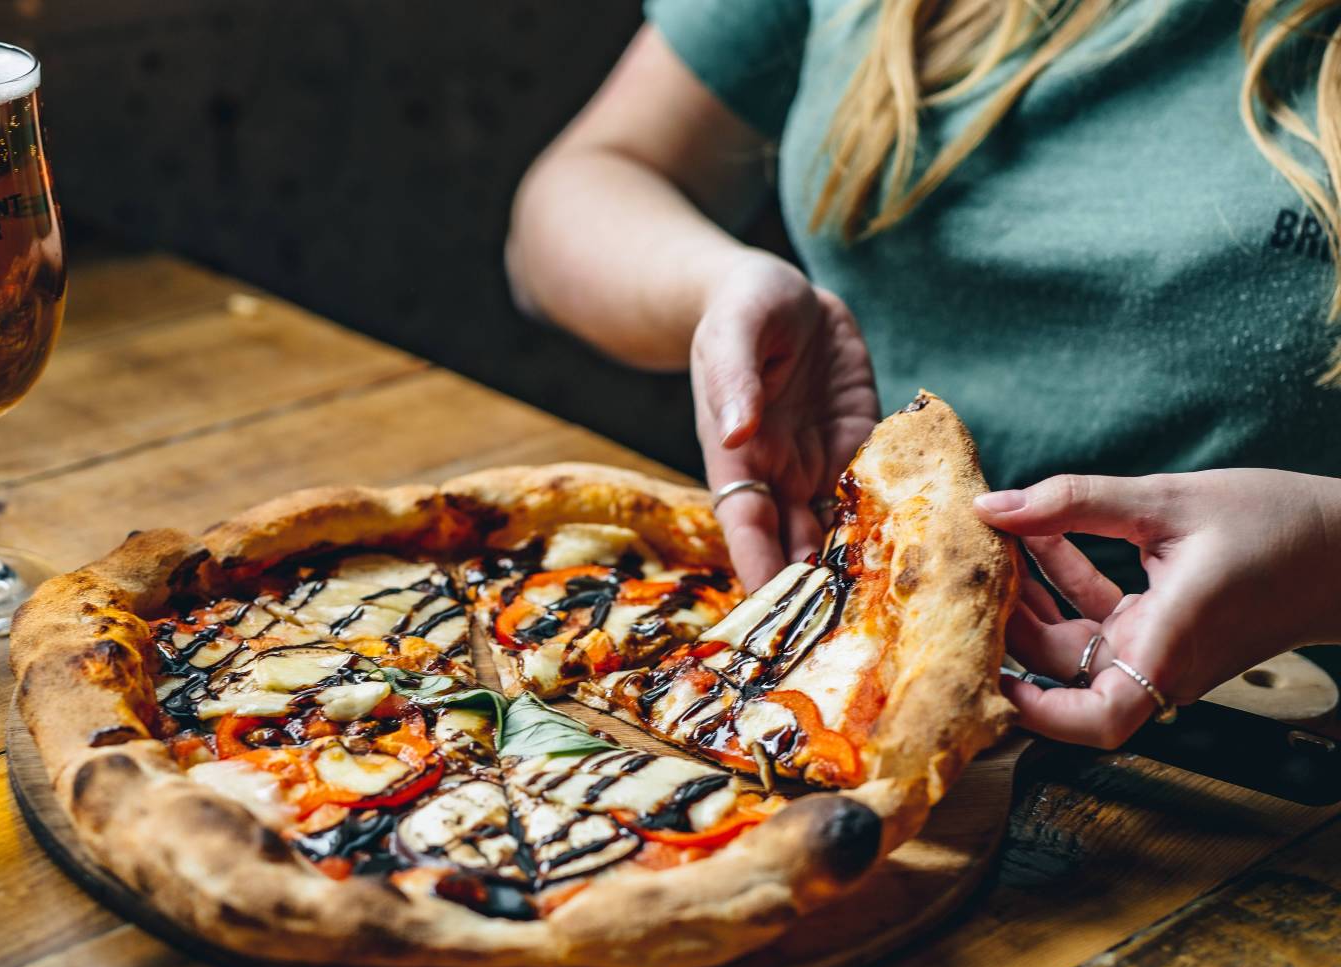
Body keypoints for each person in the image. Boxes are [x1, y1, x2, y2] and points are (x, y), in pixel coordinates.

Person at [506, 0, 1341, 749]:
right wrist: (717, 283)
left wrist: (1325, 555)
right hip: (821, 643)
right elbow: (577, 192)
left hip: (1282, 744)